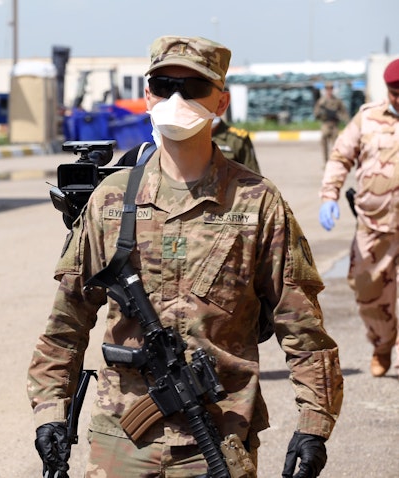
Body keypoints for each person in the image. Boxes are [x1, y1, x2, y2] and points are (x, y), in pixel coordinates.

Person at [28, 36, 343, 477]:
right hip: (122, 439)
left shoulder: (257, 203)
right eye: (163, 84)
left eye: (192, 87)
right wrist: (50, 414)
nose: (176, 98)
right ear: (147, 95)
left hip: (219, 435)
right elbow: (66, 324)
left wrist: (313, 425)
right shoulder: (111, 201)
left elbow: (302, 328)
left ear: (221, 101)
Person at [318, 58, 399, 378]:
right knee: (367, 289)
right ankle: (382, 343)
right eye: (395, 92)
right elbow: (340, 156)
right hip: (374, 223)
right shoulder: (367, 118)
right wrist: (329, 196)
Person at [313, 83, 349, 163]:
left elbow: (343, 112)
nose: (329, 90)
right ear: (325, 89)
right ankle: (326, 162)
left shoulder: (337, 100)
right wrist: (321, 114)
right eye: (327, 88)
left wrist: (347, 122)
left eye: (331, 88)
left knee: (336, 145)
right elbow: (316, 113)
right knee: (324, 143)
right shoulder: (322, 101)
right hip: (326, 124)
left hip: (334, 125)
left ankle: (334, 162)